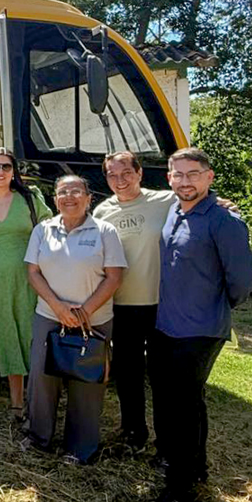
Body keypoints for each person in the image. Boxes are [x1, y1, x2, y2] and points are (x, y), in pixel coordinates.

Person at [149, 147, 252, 502]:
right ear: (169, 179)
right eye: (178, 175)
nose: (185, 181)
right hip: (166, 325)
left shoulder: (225, 221)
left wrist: (213, 307)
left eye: (193, 174)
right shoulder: (174, 211)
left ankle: (180, 490)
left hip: (200, 329)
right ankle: (195, 469)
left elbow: (241, 282)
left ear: (209, 176)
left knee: (183, 407)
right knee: (178, 401)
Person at [21, 175, 127, 463]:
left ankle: (80, 449)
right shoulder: (43, 230)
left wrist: (84, 312)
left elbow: (115, 277)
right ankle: (37, 438)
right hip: (49, 317)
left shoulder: (105, 231)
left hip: (93, 321)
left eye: (76, 191)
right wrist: (58, 308)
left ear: (88, 197)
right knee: (42, 381)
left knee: (87, 384)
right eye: (63, 192)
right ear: (55, 199)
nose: (69, 197)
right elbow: (33, 272)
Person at [92, 150, 180, 451]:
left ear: (140, 173)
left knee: (161, 374)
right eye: (112, 175)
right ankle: (133, 431)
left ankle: (167, 437)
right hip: (122, 304)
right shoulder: (102, 212)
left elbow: (201, 203)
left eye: (126, 173)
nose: (120, 180)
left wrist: (223, 203)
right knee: (128, 372)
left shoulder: (166, 201)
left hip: (160, 303)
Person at [0, 147, 51, 414]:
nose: (1, 172)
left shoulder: (30, 199)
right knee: (6, 334)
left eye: (6, 166)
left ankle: (37, 397)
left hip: (32, 276)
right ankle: (16, 401)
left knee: (32, 333)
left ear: (14, 171)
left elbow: (49, 231)